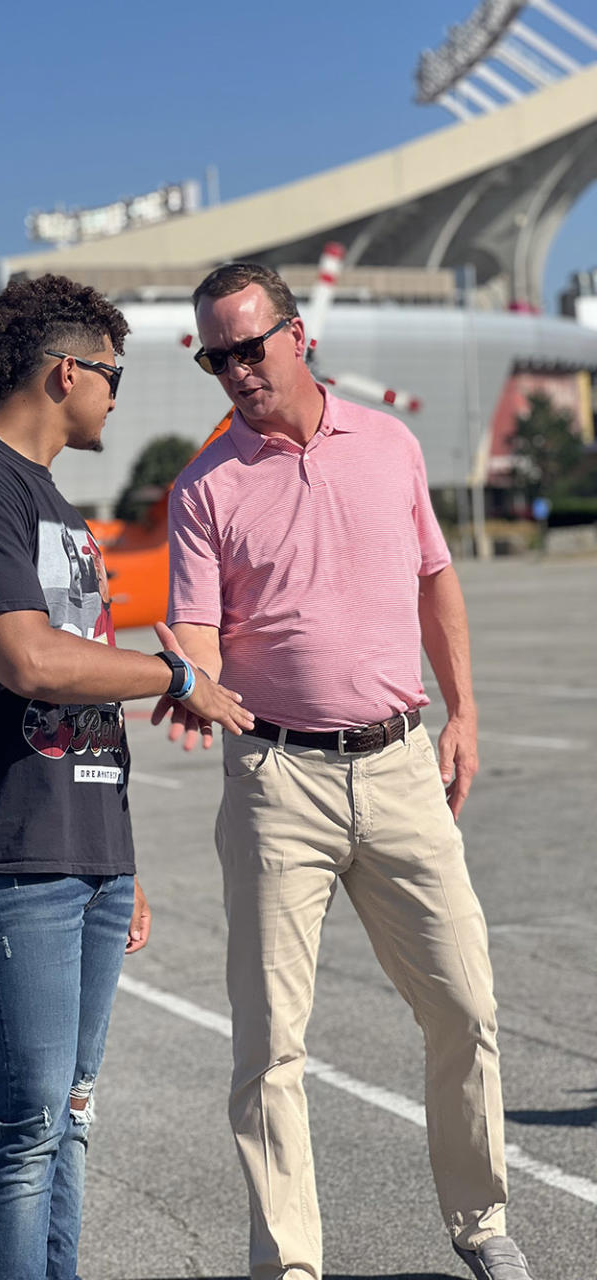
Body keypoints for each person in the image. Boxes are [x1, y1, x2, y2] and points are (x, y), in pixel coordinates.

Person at [158, 261, 535, 1280]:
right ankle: (289, 1262)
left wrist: (464, 712)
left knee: (465, 1002)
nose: (234, 370)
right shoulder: (204, 488)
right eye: (215, 355)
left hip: (402, 763)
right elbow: (194, 623)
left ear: (297, 335)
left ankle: (481, 1220)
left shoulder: (389, 444)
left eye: (248, 346)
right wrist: (189, 672)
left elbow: (434, 580)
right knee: (270, 1043)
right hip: (279, 782)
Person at [0, 272, 254, 1280]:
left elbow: (82, 692)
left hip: (83, 846)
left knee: (72, 1117)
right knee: (29, 1122)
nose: (116, 393)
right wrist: (179, 672)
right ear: (67, 371)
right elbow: (32, 660)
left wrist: (121, 855)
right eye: (113, 373)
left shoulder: (54, 500)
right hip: (9, 852)